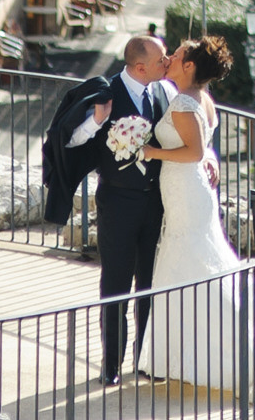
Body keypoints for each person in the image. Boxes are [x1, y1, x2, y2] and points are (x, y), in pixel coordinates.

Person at [137, 37, 255, 392]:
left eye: (179, 54)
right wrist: (210, 158)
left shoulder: (185, 103)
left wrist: (151, 152)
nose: (170, 56)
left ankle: (231, 355)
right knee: (197, 266)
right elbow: (207, 146)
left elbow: (194, 151)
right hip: (191, 192)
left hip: (186, 191)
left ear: (189, 67)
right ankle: (181, 356)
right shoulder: (202, 99)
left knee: (194, 267)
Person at [40, 35, 172, 384]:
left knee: (149, 284)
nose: (167, 62)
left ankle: (145, 361)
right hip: (117, 202)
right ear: (141, 66)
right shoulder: (106, 92)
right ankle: (111, 364)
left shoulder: (161, 92)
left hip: (154, 201)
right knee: (115, 285)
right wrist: (97, 120)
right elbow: (69, 140)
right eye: (161, 59)